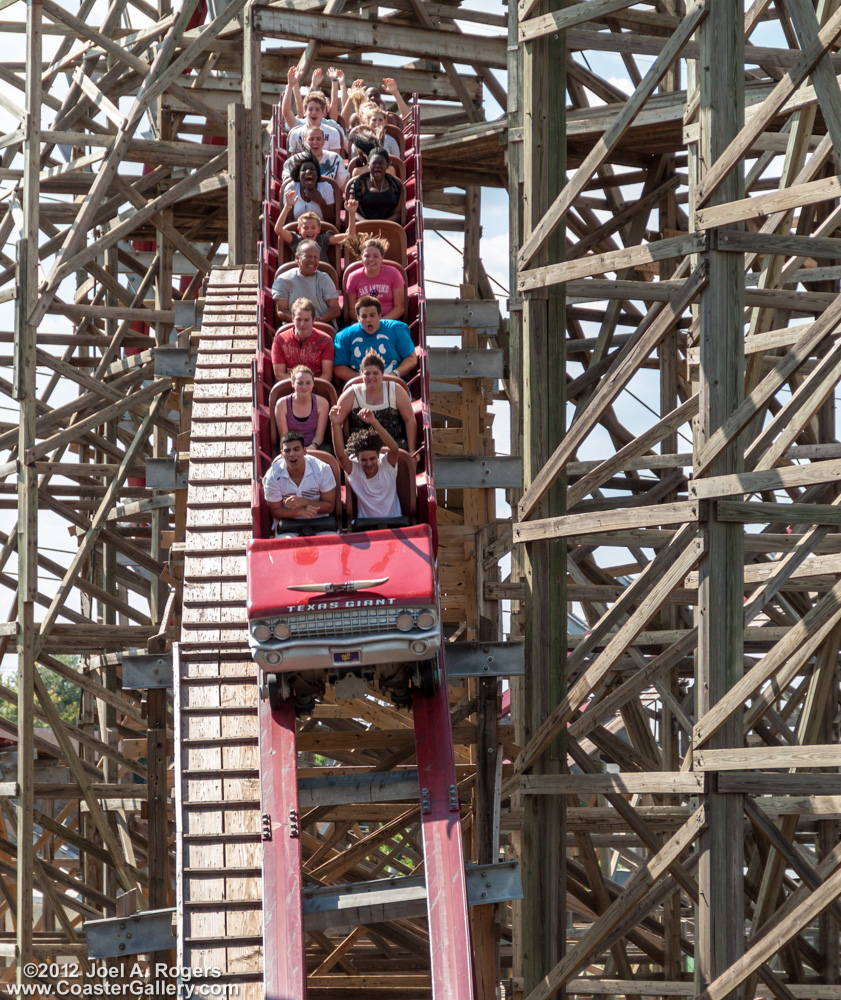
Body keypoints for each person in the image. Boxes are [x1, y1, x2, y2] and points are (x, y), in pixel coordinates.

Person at [333, 349, 416, 452]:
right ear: (361, 375)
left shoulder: (396, 390)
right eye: (367, 374)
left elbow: (410, 420)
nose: (371, 377)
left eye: (375, 373)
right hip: (360, 449)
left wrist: (412, 451)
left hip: (393, 446)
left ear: (382, 374)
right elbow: (337, 422)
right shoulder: (351, 393)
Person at [330, 406, 403, 521]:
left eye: (372, 459)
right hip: (366, 526)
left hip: (394, 523)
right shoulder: (355, 470)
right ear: (357, 459)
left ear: (378, 455)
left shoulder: (387, 465)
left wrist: (374, 422)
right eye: (364, 460)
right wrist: (335, 424)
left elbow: (394, 449)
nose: (368, 463)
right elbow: (340, 455)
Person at [262, 430, 337, 534]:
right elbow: (275, 511)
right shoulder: (272, 476)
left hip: (320, 521)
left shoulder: (322, 469)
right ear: (282, 454)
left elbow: (329, 507)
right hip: (288, 524)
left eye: (296, 449)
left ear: (305, 450)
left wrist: (305, 502)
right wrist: (300, 512)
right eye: (287, 451)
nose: (292, 454)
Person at [333, 296, 417, 381]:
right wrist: (362, 378)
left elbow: (411, 359)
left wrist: (394, 374)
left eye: (372, 315)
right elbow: (339, 367)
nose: (368, 320)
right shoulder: (344, 336)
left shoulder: (397, 329)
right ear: (358, 318)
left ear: (380, 315)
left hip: (392, 383)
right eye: (364, 316)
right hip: (360, 385)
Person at [271, 240, 341, 327]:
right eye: (308, 256)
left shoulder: (324, 279)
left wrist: (319, 320)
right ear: (297, 258)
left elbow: (335, 309)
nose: (312, 260)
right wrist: (302, 321)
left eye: (316, 257)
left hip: (321, 323)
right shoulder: (283, 280)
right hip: (294, 325)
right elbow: (281, 311)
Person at [275, 197, 357, 264]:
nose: (309, 231)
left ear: (319, 229)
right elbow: (278, 230)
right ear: (299, 230)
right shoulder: (296, 240)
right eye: (305, 228)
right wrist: (287, 206)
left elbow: (350, 235)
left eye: (313, 228)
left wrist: (352, 213)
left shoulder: (323, 240)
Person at [271, 298, 334, 381]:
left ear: (314, 320)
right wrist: (299, 385)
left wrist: (308, 386)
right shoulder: (280, 340)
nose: (302, 324)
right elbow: (279, 374)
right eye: (299, 320)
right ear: (292, 319)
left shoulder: (325, 340)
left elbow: (327, 374)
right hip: (289, 385)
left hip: (318, 386)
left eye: (306, 320)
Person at [345, 236, 405, 321]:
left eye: (376, 256)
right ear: (361, 258)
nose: (371, 259)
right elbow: (352, 310)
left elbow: (399, 307)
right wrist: (368, 322)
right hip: (364, 323)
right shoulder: (353, 277)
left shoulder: (393, 273)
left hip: (389, 322)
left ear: (382, 258)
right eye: (367, 256)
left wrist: (380, 323)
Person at [276, 364, 330, 452]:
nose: (304, 387)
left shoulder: (322, 403)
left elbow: (319, 434)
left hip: (315, 447)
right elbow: (285, 436)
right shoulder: (282, 404)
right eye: (300, 383)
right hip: (291, 449)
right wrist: (298, 451)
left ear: (313, 384)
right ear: (292, 384)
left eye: (308, 383)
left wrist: (313, 446)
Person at [283, 72, 344, 151]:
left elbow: (335, 160)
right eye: (310, 109)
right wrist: (290, 86)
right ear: (305, 111)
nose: (314, 113)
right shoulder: (297, 131)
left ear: (323, 112)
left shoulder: (333, 131)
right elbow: (286, 112)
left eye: (317, 109)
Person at [280, 151, 338, 225]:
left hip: (322, 233)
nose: (308, 171)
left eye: (312, 169)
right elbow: (287, 222)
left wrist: (321, 202)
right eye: (304, 169)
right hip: (297, 233)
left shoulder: (326, 187)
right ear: (298, 176)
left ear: (317, 175)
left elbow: (332, 222)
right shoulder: (291, 188)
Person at [282, 126, 349, 189]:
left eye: (318, 139)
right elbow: (287, 186)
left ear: (323, 141)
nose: (315, 142)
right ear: (304, 142)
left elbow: (344, 187)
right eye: (311, 139)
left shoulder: (335, 159)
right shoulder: (293, 161)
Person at [347, 148, 402, 222]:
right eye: (374, 163)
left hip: (389, 227)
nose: (377, 166)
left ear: (388, 164)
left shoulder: (395, 184)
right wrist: (367, 223)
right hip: (363, 227)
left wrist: (384, 224)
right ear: (368, 164)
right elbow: (352, 211)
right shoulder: (358, 184)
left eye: (381, 163)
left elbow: (398, 212)